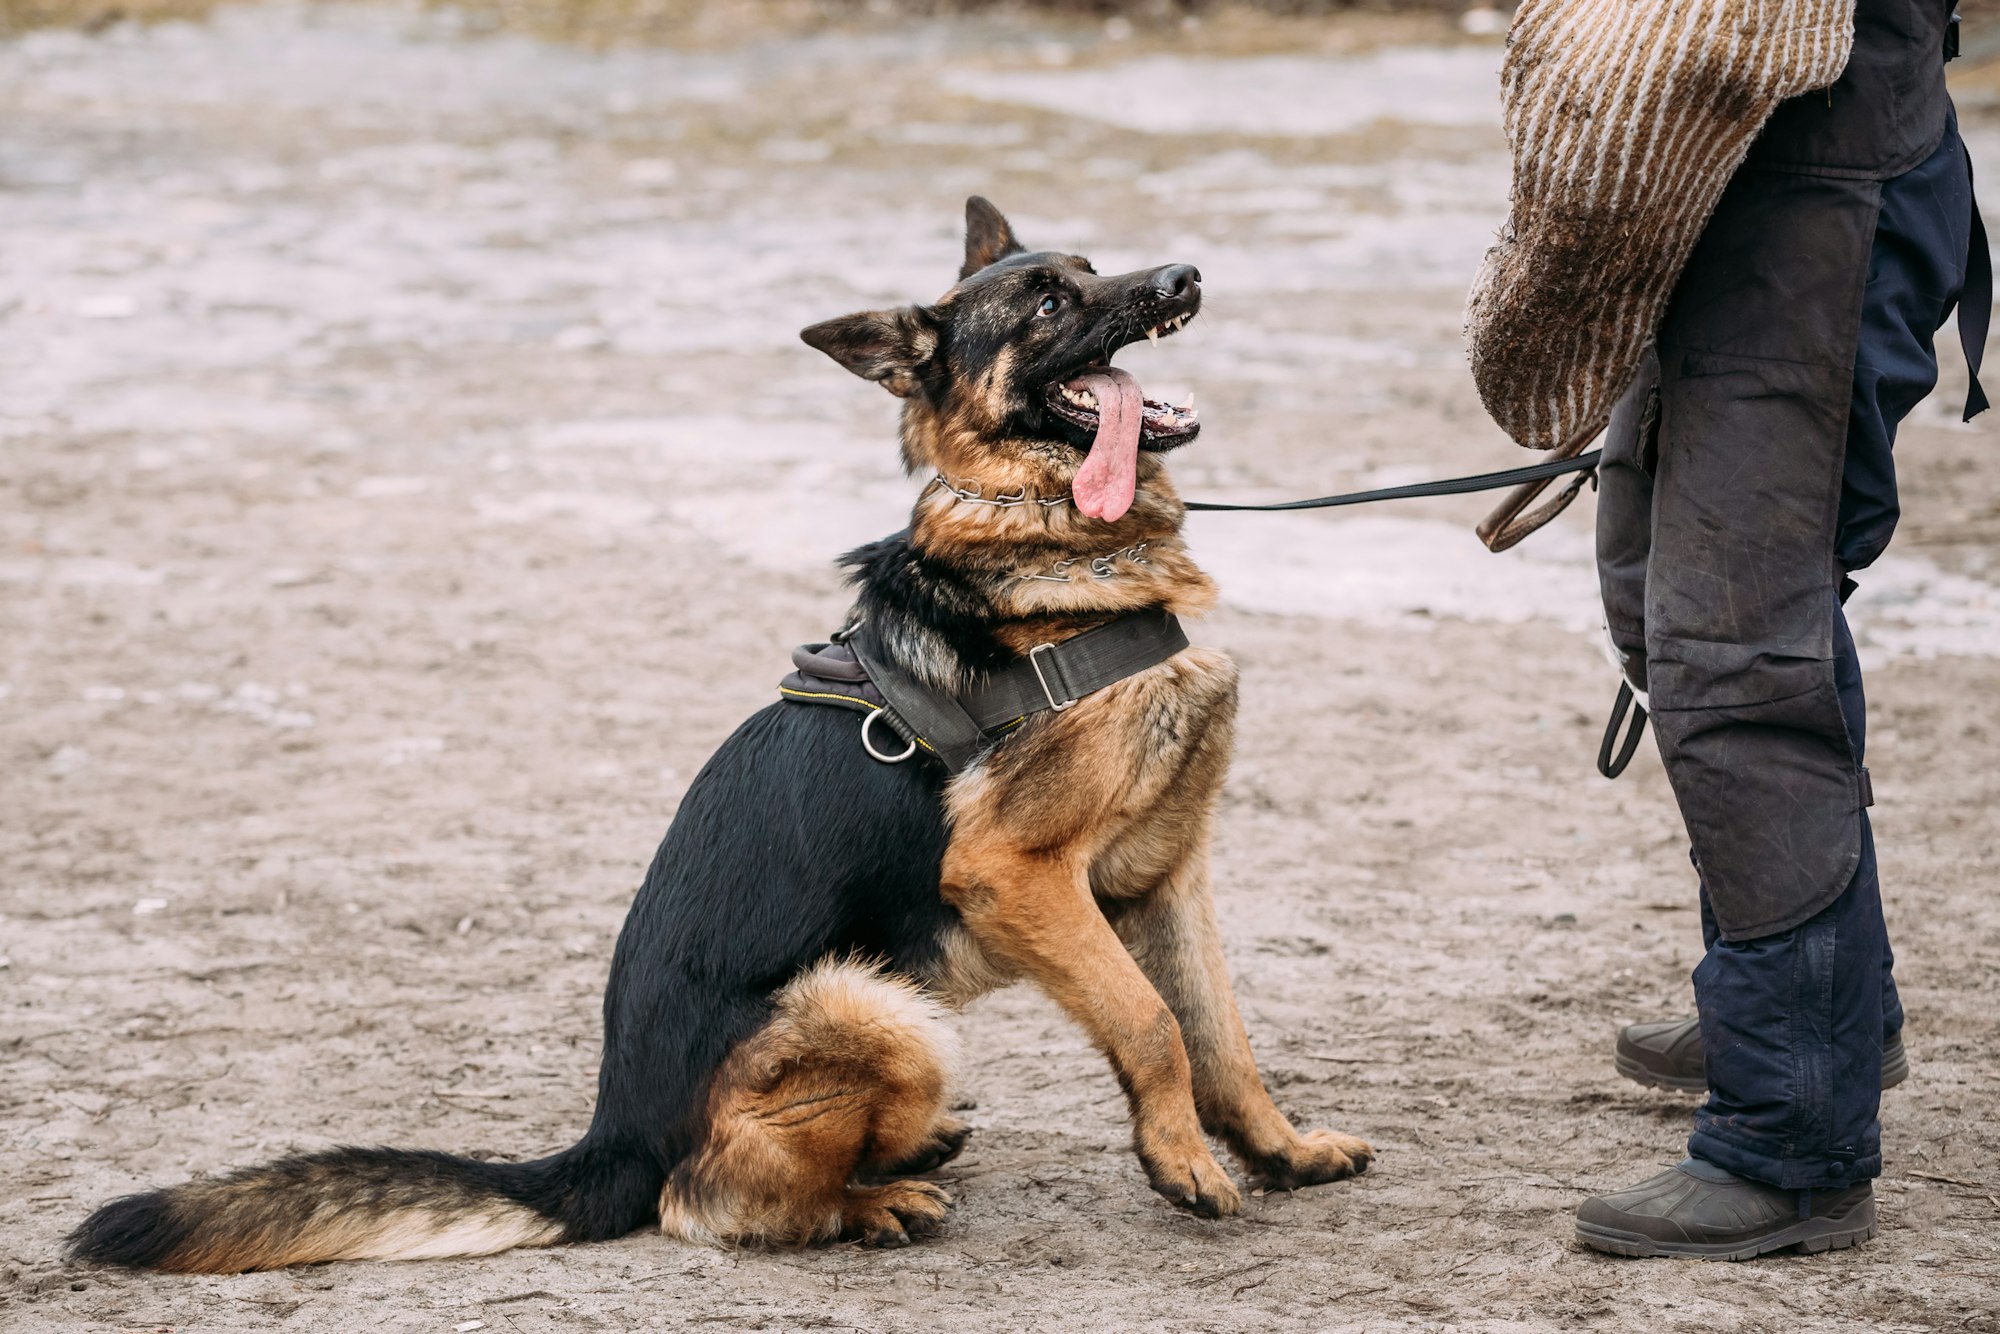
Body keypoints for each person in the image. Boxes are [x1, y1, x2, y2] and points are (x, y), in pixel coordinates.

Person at [1578, 0, 1989, 1259]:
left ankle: (1795, 1138)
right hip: (1733, 203)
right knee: (1661, 600)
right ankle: (1820, 1010)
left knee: (1739, 654)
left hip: (1823, 213)